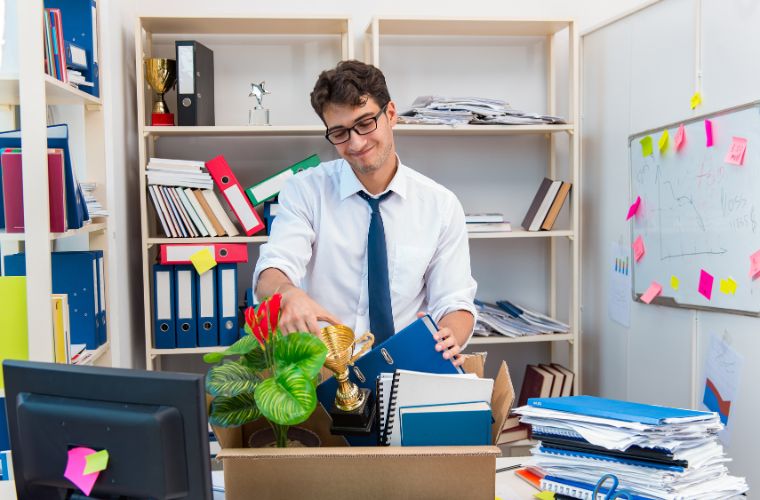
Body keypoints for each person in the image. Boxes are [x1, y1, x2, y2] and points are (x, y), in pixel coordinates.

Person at [253, 60, 477, 366]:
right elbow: (272, 271)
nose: (356, 142)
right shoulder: (305, 191)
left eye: (365, 123)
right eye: (340, 132)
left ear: (392, 114)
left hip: (406, 368)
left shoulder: (440, 205)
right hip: (323, 369)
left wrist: (450, 333)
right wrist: (287, 293)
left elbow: (455, 299)